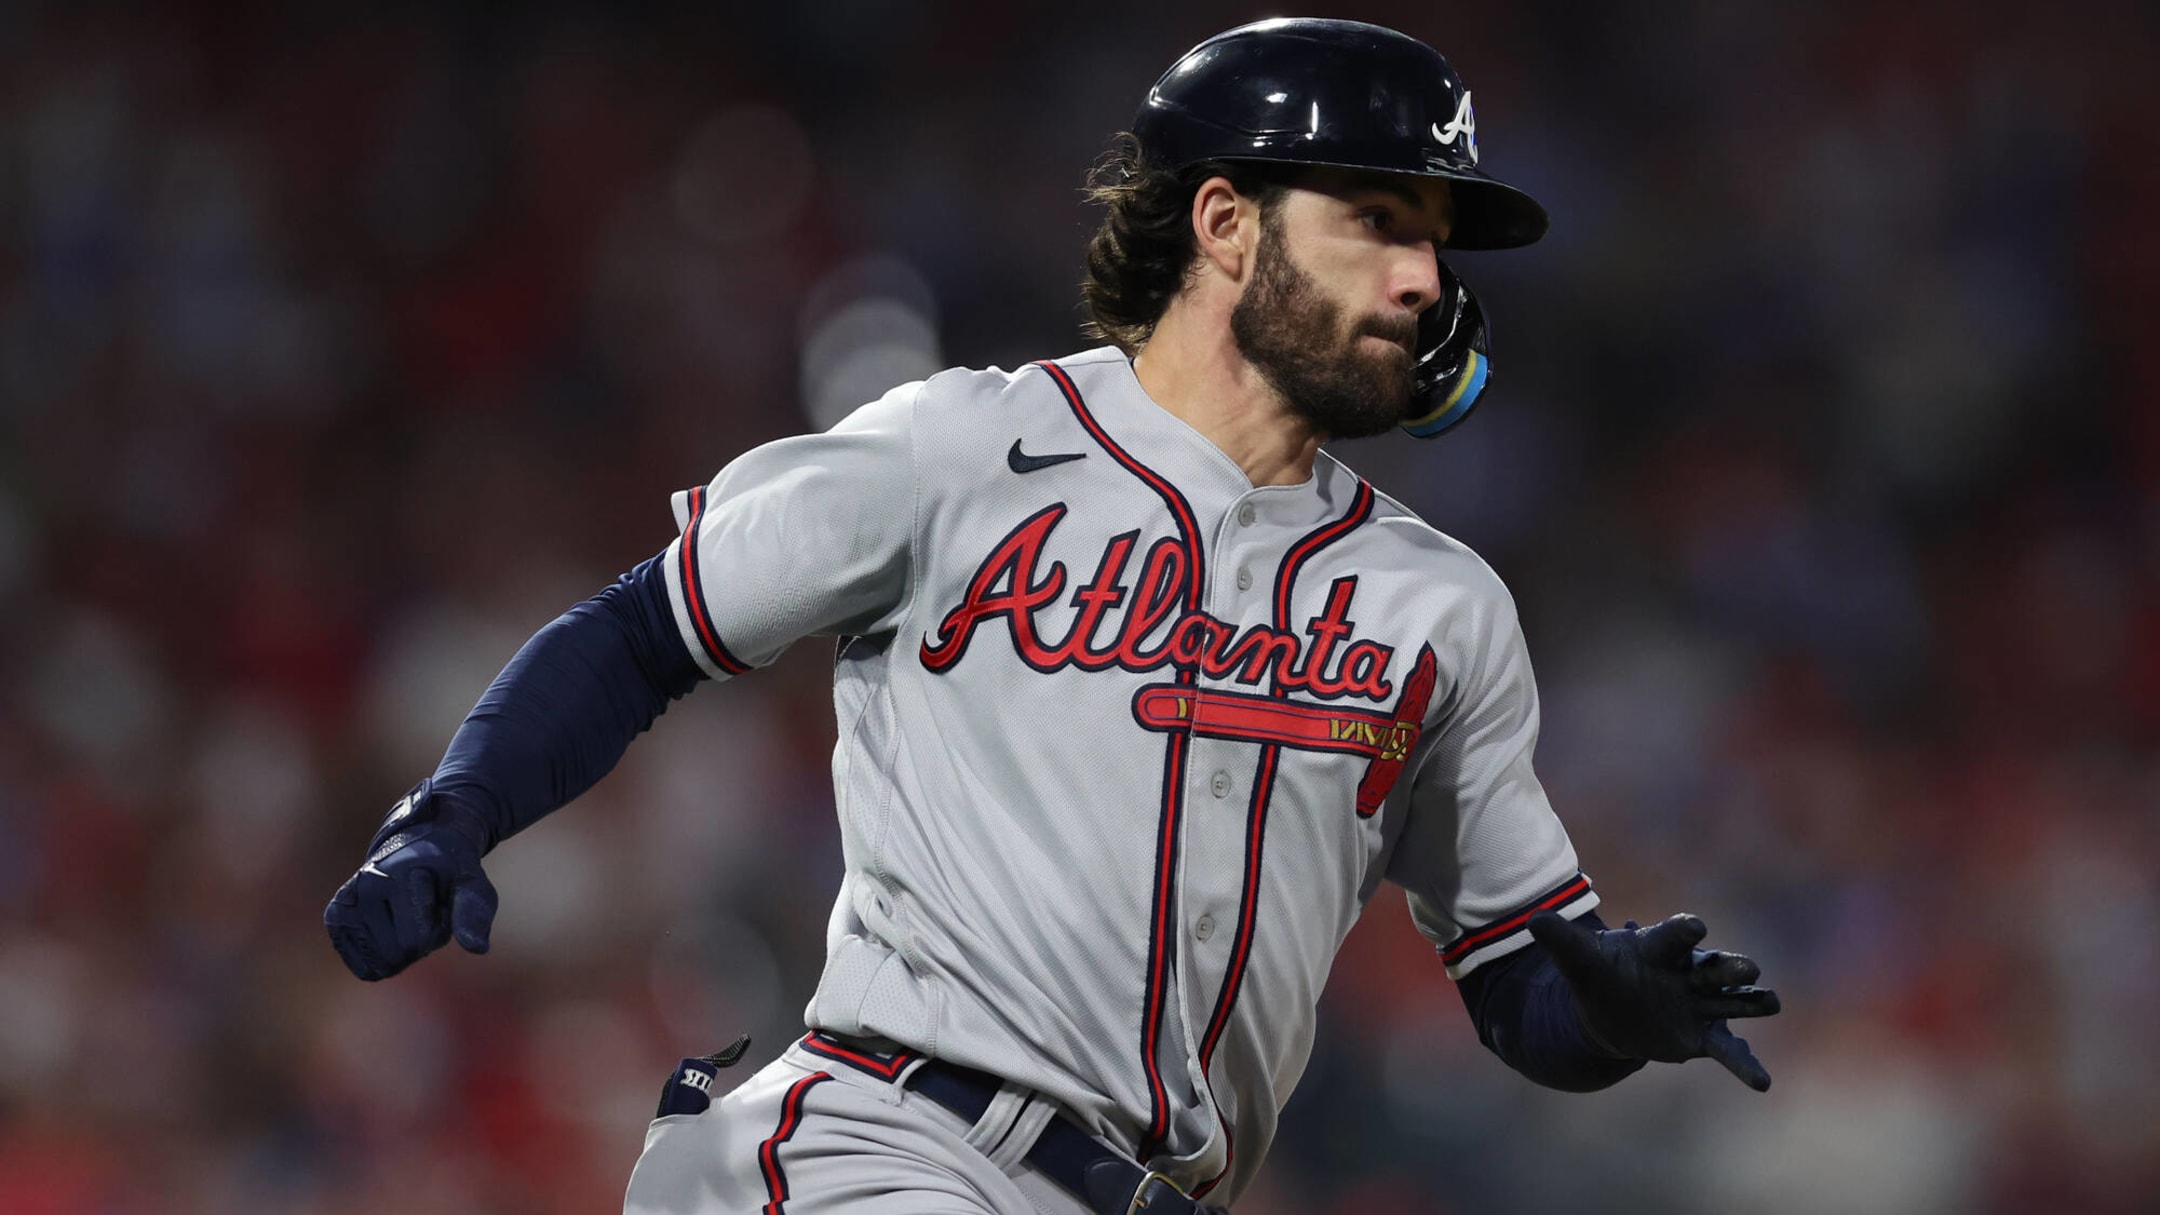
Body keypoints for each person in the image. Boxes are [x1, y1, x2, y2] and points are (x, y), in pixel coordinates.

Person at [324, 18, 1780, 1215]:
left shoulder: (1439, 608)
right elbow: (646, 628)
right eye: (1378, 221)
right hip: (881, 1150)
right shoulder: (958, 453)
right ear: (1225, 222)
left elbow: (1522, 980)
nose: (1422, 277)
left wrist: (1610, 1017)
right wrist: (450, 813)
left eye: (1437, 240)